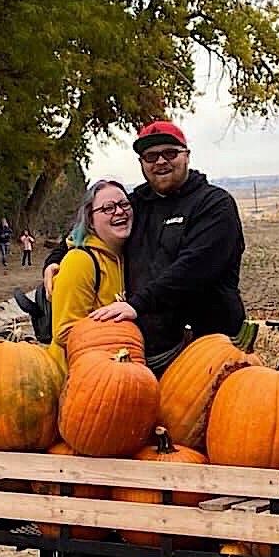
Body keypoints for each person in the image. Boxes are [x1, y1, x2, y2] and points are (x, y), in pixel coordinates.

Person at [44, 120, 246, 363]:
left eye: (170, 153)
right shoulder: (137, 203)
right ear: (142, 163)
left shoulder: (214, 205)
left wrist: (137, 305)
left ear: (187, 156)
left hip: (206, 343)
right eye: (150, 156)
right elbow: (87, 227)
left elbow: (194, 269)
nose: (160, 161)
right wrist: (55, 259)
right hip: (148, 351)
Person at [47, 179, 132, 373]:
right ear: (91, 220)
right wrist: (120, 338)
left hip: (117, 369)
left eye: (124, 204)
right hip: (78, 376)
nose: (119, 211)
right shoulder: (80, 261)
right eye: (107, 208)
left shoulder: (131, 257)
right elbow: (65, 331)